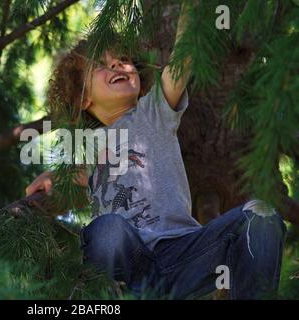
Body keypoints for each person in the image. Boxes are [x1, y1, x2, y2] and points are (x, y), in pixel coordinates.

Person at [25, 3, 286, 299]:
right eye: (101, 64)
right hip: (128, 265)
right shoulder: (86, 149)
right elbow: (66, 180)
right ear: (83, 98)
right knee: (107, 230)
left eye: (124, 60)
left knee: (260, 214)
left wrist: (192, 7)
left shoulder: (153, 111)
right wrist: (48, 178)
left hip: (186, 256)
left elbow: (183, 57)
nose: (118, 66)